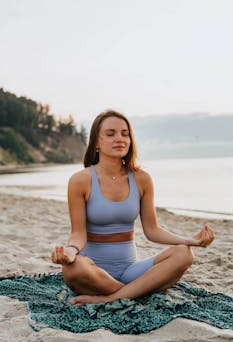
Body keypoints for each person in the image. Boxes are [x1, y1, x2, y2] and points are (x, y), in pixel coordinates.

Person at [51, 109, 215, 306]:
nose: (119, 138)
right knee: (72, 269)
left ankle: (111, 297)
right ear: (96, 142)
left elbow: (152, 230)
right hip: (93, 271)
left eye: (125, 133)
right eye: (110, 134)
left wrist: (190, 240)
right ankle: (137, 291)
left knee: (184, 253)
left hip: (130, 271)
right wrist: (70, 251)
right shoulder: (80, 180)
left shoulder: (141, 179)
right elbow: (78, 233)